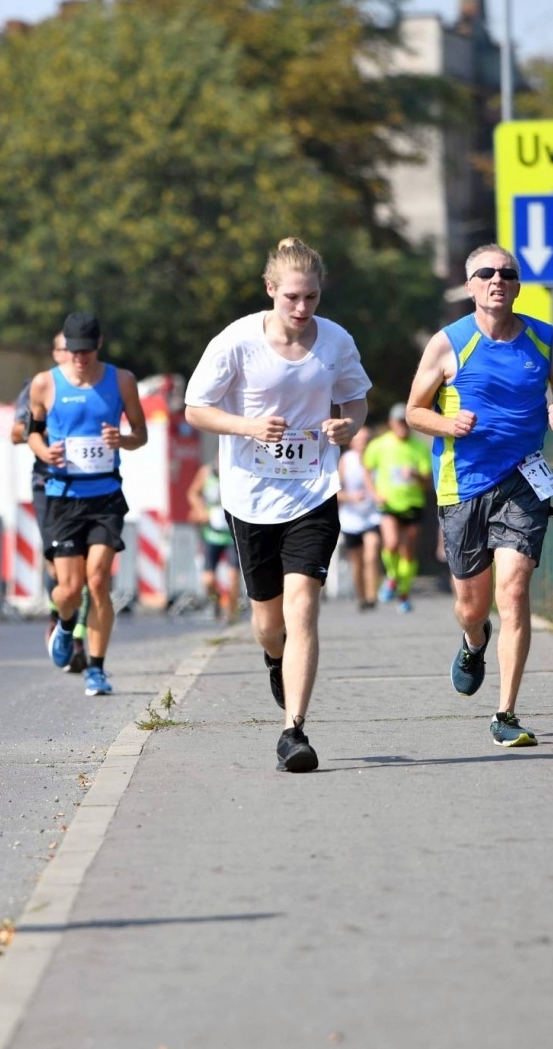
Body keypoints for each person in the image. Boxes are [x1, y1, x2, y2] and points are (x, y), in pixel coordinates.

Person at [183, 238, 370, 772]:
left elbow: (356, 397)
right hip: (250, 494)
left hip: (313, 489)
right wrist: (247, 426)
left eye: (311, 296)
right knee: (269, 623)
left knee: (303, 607)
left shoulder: (335, 341)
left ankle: (295, 730)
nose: (302, 308)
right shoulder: (238, 341)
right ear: (270, 290)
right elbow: (196, 409)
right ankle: (273, 657)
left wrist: (348, 424)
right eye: (291, 297)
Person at [405, 245, 553, 748]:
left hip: (524, 479)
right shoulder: (448, 343)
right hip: (463, 484)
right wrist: (447, 423)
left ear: (518, 285)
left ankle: (506, 712)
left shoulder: (545, 339)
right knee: (470, 604)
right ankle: (472, 642)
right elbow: (416, 411)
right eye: (486, 273)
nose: (497, 279)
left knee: (515, 592)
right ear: (470, 285)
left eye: (507, 273)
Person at [25, 311, 149, 695]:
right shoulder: (45, 383)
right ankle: (64, 624)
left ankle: (97, 668)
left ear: (98, 344)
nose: (79, 358)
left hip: (105, 496)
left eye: (85, 351)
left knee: (97, 581)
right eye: (73, 351)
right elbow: (32, 433)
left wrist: (122, 440)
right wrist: (46, 454)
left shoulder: (122, 380)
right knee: (68, 589)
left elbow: (140, 433)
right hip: (63, 498)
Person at [12, 332, 86, 671]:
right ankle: (59, 617)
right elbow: (17, 432)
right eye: (64, 349)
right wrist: (39, 432)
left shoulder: (97, 383)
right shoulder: (38, 386)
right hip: (49, 485)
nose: (72, 354)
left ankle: (80, 638)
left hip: (90, 485)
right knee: (58, 564)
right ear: (56, 353)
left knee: (89, 568)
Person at [362, 403, 432, 613]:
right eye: (399, 422)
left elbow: (427, 480)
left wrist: (415, 475)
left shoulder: (419, 447)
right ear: (391, 423)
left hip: (412, 503)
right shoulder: (379, 445)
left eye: (406, 422)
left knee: (408, 553)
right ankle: (393, 577)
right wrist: (374, 494)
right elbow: (366, 470)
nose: (402, 425)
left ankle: (403, 592)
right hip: (389, 503)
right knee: (391, 544)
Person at [336, 425, 382, 611]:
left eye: (366, 440)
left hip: (372, 515)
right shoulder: (346, 460)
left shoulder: (377, 458)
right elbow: (336, 492)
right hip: (350, 518)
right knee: (357, 561)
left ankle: (372, 596)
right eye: (359, 440)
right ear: (352, 441)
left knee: (371, 554)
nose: (363, 444)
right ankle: (362, 597)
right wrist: (351, 497)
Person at [186, 461, 236, 620]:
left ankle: (232, 614)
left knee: (233, 575)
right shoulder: (206, 473)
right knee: (208, 579)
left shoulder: (237, 470)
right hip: (211, 534)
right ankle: (215, 601)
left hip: (231, 535)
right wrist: (200, 511)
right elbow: (192, 493)